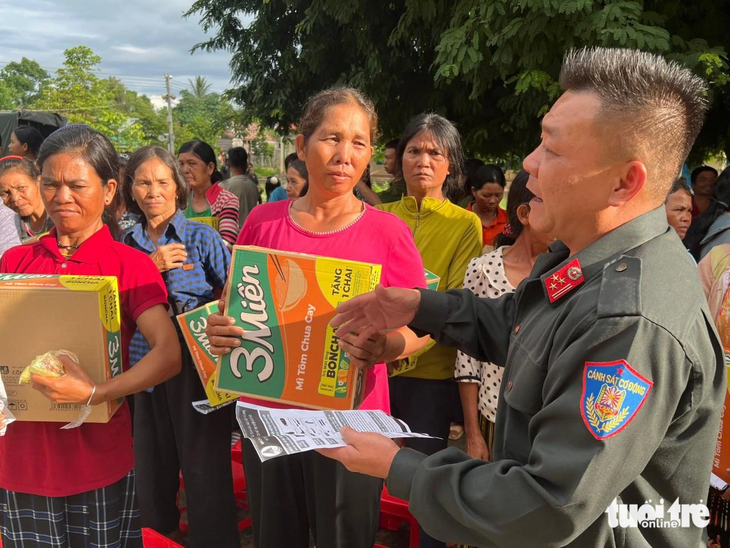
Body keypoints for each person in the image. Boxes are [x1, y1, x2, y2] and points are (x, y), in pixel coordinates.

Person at [320, 47, 723, 548]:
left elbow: (547, 505)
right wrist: (421, 307)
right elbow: (521, 325)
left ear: (625, 181)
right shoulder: (582, 260)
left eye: (552, 150)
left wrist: (398, 466)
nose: (529, 164)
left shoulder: (629, 319)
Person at [204, 86, 429, 548]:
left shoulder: (389, 232)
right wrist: (221, 331)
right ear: (302, 145)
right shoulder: (263, 222)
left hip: (351, 423)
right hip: (268, 414)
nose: (344, 155)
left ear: (369, 155)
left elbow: (423, 327)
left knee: (343, 536)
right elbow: (232, 306)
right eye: (331, 138)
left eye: (359, 142)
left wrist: (385, 347)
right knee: (275, 535)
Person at [0, 124, 181, 548]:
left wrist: (98, 391)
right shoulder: (16, 260)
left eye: (77, 185)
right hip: (22, 462)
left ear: (108, 189)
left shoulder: (129, 265)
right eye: (50, 184)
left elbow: (168, 353)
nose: (62, 198)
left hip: (98, 462)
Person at [121, 145, 238, 548]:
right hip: (144, 368)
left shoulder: (201, 236)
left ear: (178, 187)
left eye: (162, 182)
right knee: (151, 470)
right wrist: (149, 267)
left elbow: (234, 294)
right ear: (131, 190)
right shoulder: (126, 244)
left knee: (205, 469)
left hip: (197, 369)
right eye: (143, 182)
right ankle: (159, 538)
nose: (153, 191)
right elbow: (113, 305)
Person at [376, 112, 483, 548]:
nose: (423, 160)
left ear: (451, 165)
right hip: (373, 371)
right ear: (398, 160)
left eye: (435, 153)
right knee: (369, 478)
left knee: (422, 483)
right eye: (414, 150)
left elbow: (454, 304)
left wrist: (399, 346)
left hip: (429, 375)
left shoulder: (464, 224)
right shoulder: (377, 216)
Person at [454, 170, 551, 470]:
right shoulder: (483, 270)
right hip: (494, 416)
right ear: (524, 213)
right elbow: (467, 357)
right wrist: (473, 434)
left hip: (548, 423)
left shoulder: (570, 271)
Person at [178, 139, 239, 246]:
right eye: (181, 164)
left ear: (210, 168)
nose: (185, 170)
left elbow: (227, 244)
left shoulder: (226, 200)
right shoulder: (179, 200)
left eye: (192, 163)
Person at [0, 156, 54, 241]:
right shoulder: (9, 224)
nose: (15, 198)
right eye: (5, 193)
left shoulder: (59, 215)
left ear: (39, 182)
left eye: (21, 188)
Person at [684, 167, 730, 261]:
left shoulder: (718, 212)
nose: (709, 183)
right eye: (703, 180)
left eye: (713, 180)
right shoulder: (684, 206)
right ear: (693, 185)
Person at [465, 164, 508, 248]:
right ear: (474, 191)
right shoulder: (462, 219)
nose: (493, 201)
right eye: (486, 195)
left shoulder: (509, 221)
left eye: (498, 195)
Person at [221, 146, 259, 228]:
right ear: (246, 164)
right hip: (250, 232)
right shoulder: (253, 186)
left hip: (232, 233)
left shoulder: (223, 186)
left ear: (228, 163)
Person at [376, 139, 405, 204]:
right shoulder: (396, 183)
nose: (384, 162)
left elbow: (378, 202)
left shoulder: (403, 186)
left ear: (400, 159)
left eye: (388, 158)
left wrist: (360, 183)